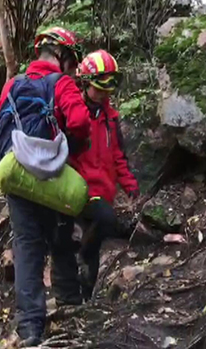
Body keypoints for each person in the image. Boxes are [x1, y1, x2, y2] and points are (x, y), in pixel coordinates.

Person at [0, 27, 93, 347]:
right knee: (61, 238)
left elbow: (0, 125)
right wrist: (67, 147)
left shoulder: (13, 83)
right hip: (48, 175)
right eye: (73, 63)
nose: (74, 70)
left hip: (16, 174)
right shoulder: (61, 83)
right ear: (62, 57)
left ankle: (30, 330)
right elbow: (79, 122)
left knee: (27, 247)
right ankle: (69, 306)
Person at [68, 49, 140, 301]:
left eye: (107, 89)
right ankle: (78, 266)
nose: (103, 94)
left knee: (95, 247)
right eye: (99, 88)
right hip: (81, 191)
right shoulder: (74, 114)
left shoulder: (111, 118)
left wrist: (130, 185)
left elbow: (119, 156)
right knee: (106, 221)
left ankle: (85, 297)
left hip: (104, 191)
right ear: (86, 84)